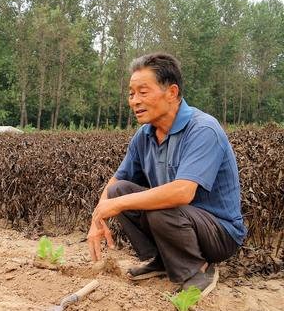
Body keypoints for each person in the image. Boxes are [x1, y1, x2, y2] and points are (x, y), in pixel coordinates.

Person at [87, 52, 245, 297]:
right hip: (179, 220)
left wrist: (116, 204)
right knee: (118, 191)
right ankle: (163, 260)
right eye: (131, 93)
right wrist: (98, 217)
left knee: (157, 204)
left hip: (219, 233)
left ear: (171, 92)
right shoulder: (145, 134)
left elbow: (182, 192)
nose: (134, 101)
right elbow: (116, 182)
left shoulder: (203, 129)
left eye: (143, 91)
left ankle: (197, 269)